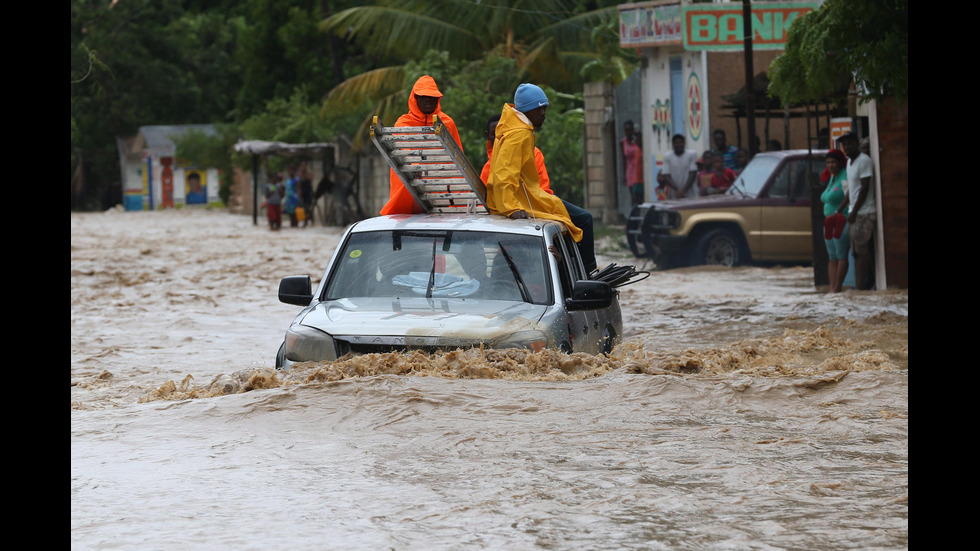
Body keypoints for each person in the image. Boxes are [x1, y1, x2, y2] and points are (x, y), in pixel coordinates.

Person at [486, 83, 597, 273]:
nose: (544, 113)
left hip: (524, 196)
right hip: (523, 200)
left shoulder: (514, 128)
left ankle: (569, 266)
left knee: (569, 220)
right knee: (584, 219)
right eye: (540, 109)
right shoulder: (519, 134)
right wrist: (513, 208)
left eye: (545, 108)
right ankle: (588, 272)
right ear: (528, 109)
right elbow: (504, 173)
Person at [379, 75, 463, 215]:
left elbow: (458, 157)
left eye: (432, 97)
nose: (429, 100)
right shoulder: (403, 123)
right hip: (407, 191)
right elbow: (403, 149)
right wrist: (414, 166)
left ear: (438, 99)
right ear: (415, 98)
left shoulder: (447, 123)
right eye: (424, 96)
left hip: (440, 192)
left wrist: (459, 192)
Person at [839, 131, 875, 290]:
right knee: (856, 252)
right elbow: (851, 190)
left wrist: (854, 212)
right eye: (844, 145)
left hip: (864, 213)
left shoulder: (864, 161)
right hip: (853, 213)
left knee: (861, 252)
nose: (847, 147)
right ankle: (863, 285)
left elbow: (865, 188)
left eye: (849, 144)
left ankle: (861, 287)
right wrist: (840, 209)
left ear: (856, 144)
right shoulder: (849, 163)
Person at [821, 150, 849, 293]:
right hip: (829, 222)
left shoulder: (844, 176)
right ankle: (832, 289)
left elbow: (849, 195)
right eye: (828, 162)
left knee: (841, 255)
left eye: (833, 162)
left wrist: (838, 211)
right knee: (832, 257)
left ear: (839, 163)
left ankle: (837, 288)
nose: (830, 165)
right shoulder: (832, 178)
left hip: (841, 221)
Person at [658, 134, 698, 199]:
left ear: (684, 143)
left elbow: (693, 173)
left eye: (680, 143)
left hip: (690, 193)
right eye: (676, 143)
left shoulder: (692, 154)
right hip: (674, 194)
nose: (679, 145)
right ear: (673, 144)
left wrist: (683, 190)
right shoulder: (667, 156)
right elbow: (666, 175)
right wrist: (678, 190)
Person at [621, 121, 644, 206]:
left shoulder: (638, 140)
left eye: (630, 130)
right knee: (633, 195)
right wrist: (624, 176)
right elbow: (624, 159)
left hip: (639, 169)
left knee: (640, 195)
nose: (628, 132)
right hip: (630, 172)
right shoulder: (623, 142)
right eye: (626, 130)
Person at [298, 162, 314, 227]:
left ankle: (306, 222)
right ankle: (311, 221)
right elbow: (298, 184)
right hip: (303, 193)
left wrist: (305, 175)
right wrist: (299, 192)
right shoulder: (299, 174)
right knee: (305, 209)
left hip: (309, 193)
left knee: (308, 208)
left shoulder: (308, 173)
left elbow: (311, 178)